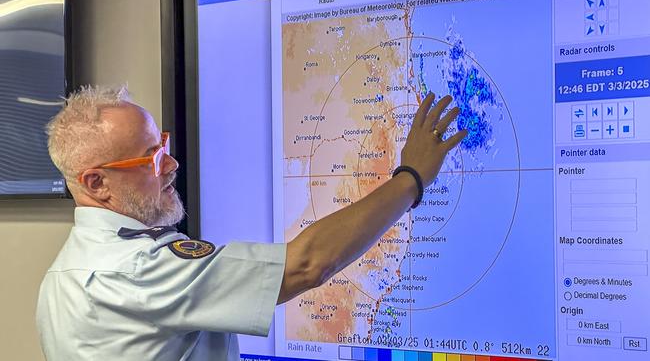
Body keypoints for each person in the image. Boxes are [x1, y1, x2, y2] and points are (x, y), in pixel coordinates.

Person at [36, 85, 466, 360]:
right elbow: (308, 263)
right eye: (151, 157)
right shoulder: (135, 268)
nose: (171, 163)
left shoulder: (62, 274)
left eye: (161, 144)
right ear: (97, 183)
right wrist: (411, 178)